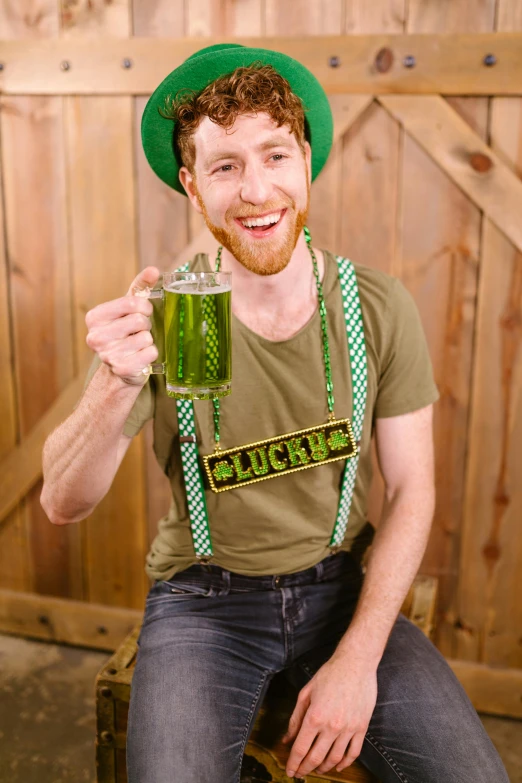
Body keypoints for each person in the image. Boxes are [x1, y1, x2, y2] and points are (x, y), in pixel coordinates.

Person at [41, 44, 509, 783]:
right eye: (225, 166)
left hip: (340, 588)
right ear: (192, 186)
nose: (257, 191)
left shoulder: (377, 308)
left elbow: (414, 489)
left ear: (306, 163)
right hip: (204, 604)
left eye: (275, 156)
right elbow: (62, 502)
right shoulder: (169, 315)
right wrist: (115, 381)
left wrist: (357, 659)